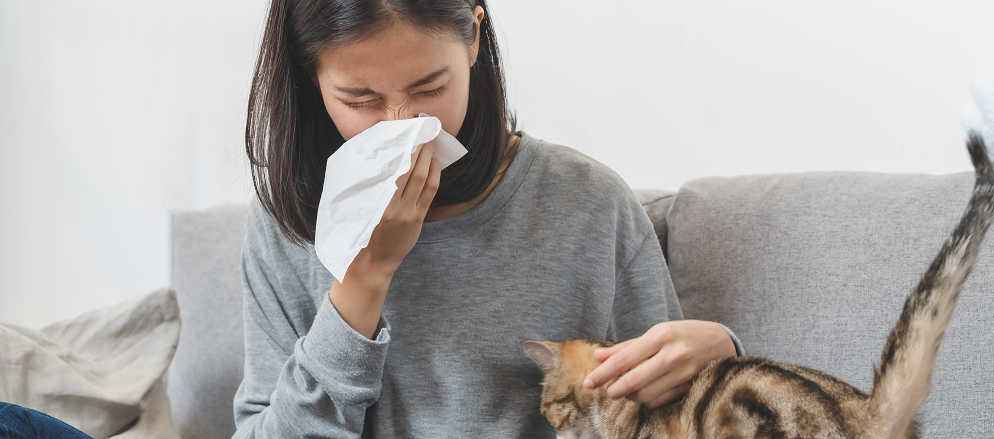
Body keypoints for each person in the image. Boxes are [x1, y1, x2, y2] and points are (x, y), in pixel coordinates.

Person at [233, 0, 744, 437]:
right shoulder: (286, 222)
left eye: (430, 88)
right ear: (311, 75)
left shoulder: (586, 202)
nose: (403, 126)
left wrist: (719, 355)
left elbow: (675, 411)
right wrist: (362, 281)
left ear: (474, 36)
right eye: (359, 100)